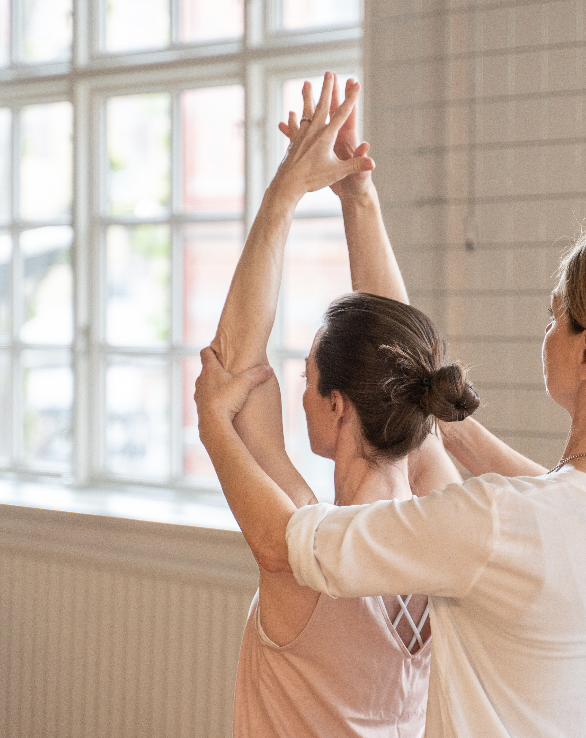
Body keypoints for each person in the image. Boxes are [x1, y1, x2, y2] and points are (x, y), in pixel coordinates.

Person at [198, 219, 586, 732]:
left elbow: (286, 542)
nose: (546, 332)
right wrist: (358, 197)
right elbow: (547, 493)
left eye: (555, 318)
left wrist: (212, 424)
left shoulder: (501, 522)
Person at [209, 72, 479, 737]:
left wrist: (283, 194)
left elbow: (234, 369)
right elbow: (404, 358)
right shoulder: (440, 526)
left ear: (337, 407)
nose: (297, 396)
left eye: (306, 382)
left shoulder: (311, 548)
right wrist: (358, 197)